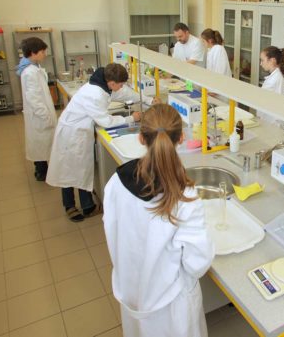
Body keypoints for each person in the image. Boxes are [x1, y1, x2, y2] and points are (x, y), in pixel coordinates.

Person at [103, 104, 214, 337]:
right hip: (171, 308)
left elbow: (112, 230)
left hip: (132, 292)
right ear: (181, 138)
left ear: (141, 138)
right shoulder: (185, 197)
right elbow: (197, 264)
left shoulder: (116, 181)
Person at [46, 63, 143, 222]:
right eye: (120, 84)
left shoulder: (102, 84)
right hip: (72, 135)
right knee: (70, 171)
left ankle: (87, 206)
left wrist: (147, 99)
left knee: (81, 170)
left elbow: (123, 93)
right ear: (112, 83)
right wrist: (131, 118)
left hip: (77, 131)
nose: (121, 87)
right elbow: (105, 121)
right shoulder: (96, 94)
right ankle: (70, 206)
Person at [16, 37, 57, 182]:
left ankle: (42, 169)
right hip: (39, 115)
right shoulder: (30, 72)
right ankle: (41, 172)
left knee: (42, 144)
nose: (45, 54)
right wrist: (45, 116)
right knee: (41, 144)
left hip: (40, 114)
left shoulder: (34, 67)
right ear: (33, 53)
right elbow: (34, 99)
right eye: (42, 51)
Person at [258, 46, 284, 127]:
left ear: (272, 61)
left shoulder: (275, 78)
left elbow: (262, 98)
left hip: (273, 123)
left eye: (262, 60)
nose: (261, 63)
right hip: (269, 120)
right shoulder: (275, 76)